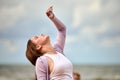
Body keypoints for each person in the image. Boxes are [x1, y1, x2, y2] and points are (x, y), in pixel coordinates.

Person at [26, 6, 74, 80]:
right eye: (37, 37)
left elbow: (62, 29)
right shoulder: (42, 61)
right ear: (38, 46)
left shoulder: (58, 50)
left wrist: (53, 18)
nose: (41, 34)